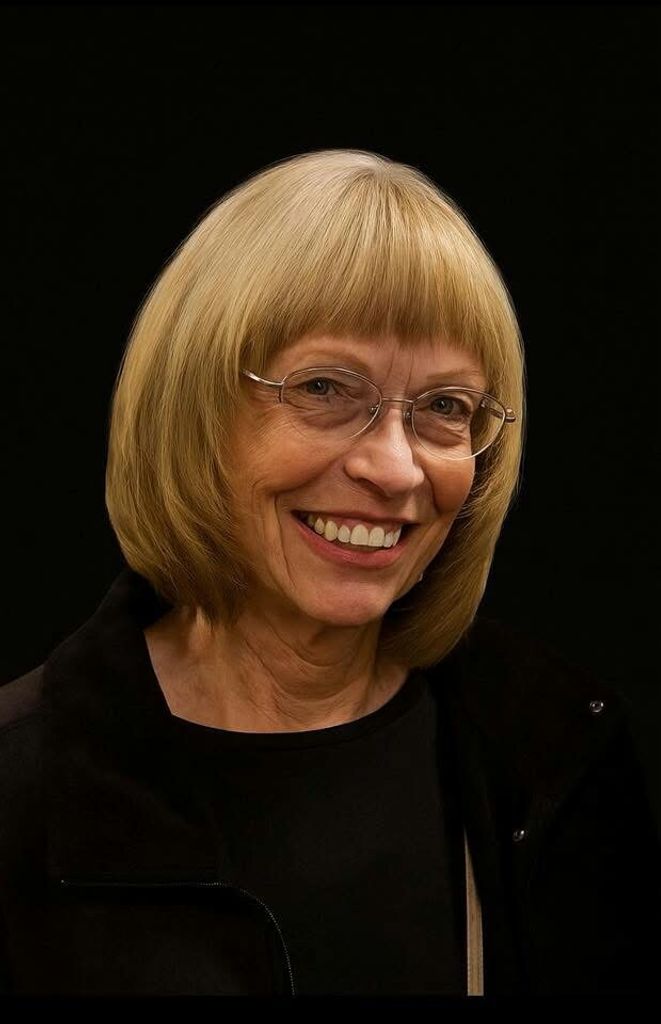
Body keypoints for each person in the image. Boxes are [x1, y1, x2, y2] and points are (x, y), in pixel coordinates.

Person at [0, 149, 658, 998]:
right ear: (195, 408)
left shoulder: (556, 758)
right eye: (323, 388)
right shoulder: (19, 785)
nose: (394, 468)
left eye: (445, 407)